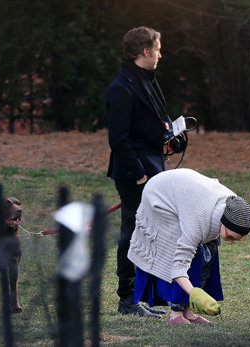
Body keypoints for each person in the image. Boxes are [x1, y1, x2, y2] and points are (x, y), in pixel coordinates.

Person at [127, 168, 250, 324]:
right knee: (175, 249)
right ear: (225, 224)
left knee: (206, 253)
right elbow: (178, 266)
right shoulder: (198, 222)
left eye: (237, 239)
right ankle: (176, 315)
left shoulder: (233, 207)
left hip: (186, 194)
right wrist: (194, 292)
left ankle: (189, 312)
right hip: (159, 195)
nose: (232, 241)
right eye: (230, 236)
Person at [106, 26, 173, 317]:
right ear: (145, 51)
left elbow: (157, 118)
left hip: (153, 168)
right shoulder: (121, 87)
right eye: (157, 49)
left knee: (150, 232)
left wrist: (170, 134)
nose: (161, 54)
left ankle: (143, 298)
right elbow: (118, 138)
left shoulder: (148, 80)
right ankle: (127, 299)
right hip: (134, 173)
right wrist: (138, 174)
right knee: (132, 233)